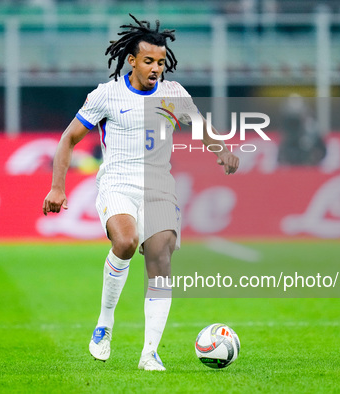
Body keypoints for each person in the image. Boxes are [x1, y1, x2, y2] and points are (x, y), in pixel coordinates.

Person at [42, 14, 239, 371]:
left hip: (159, 187)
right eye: (149, 61)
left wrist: (221, 150)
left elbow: (201, 128)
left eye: (161, 62)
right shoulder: (107, 95)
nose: (156, 68)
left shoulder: (173, 94)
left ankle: (150, 352)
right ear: (131, 61)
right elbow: (68, 138)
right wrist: (58, 186)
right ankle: (105, 324)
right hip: (117, 183)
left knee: (160, 261)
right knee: (126, 242)